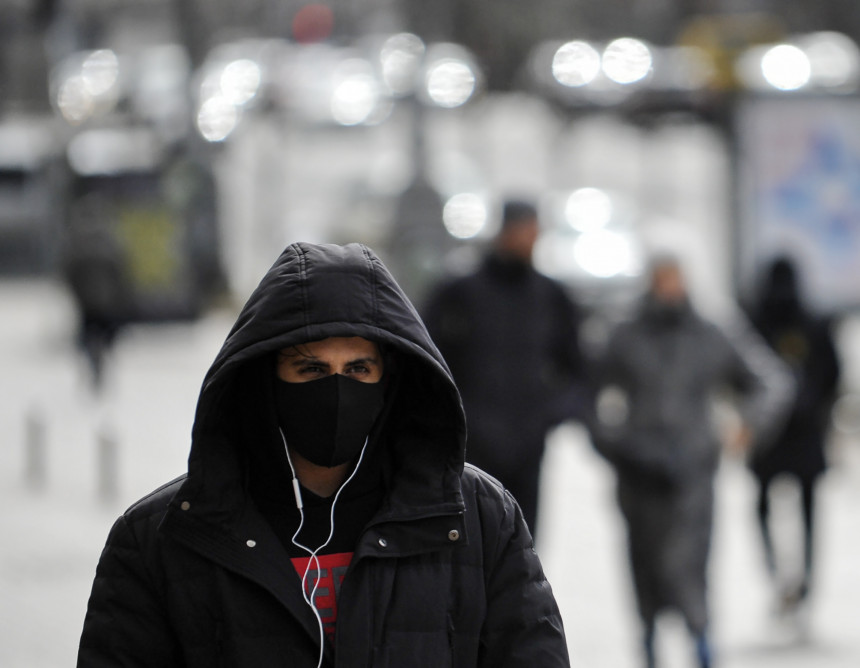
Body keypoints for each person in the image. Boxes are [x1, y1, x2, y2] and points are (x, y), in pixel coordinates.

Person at [77, 242, 570, 668]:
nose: (337, 391)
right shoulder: (161, 539)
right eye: (311, 369)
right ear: (264, 381)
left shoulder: (480, 519)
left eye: (358, 369)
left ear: (390, 380)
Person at [589, 255, 792, 668]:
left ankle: (701, 644)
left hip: (692, 473)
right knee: (644, 566)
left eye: (675, 279)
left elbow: (771, 381)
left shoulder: (709, 333)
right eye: (661, 279)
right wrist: (613, 443)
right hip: (638, 472)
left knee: (689, 565)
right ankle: (649, 646)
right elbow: (584, 390)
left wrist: (747, 426)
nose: (669, 288)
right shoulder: (625, 333)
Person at [422, 200, 588, 539]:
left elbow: (577, 367)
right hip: (471, 446)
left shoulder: (551, 296)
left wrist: (553, 412)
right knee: (471, 540)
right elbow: (426, 355)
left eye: (534, 232)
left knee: (522, 540)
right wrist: (454, 414)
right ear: (505, 231)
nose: (529, 240)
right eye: (523, 231)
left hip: (528, 444)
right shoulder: (460, 292)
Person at [746, 256, 841, 614]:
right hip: (790, 432)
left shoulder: (758, 322)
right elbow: (832, 374)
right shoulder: (808, 321)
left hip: (781, 433)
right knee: (802, 509)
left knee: (771, 506)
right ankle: (797, 580)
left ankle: (785, 577)